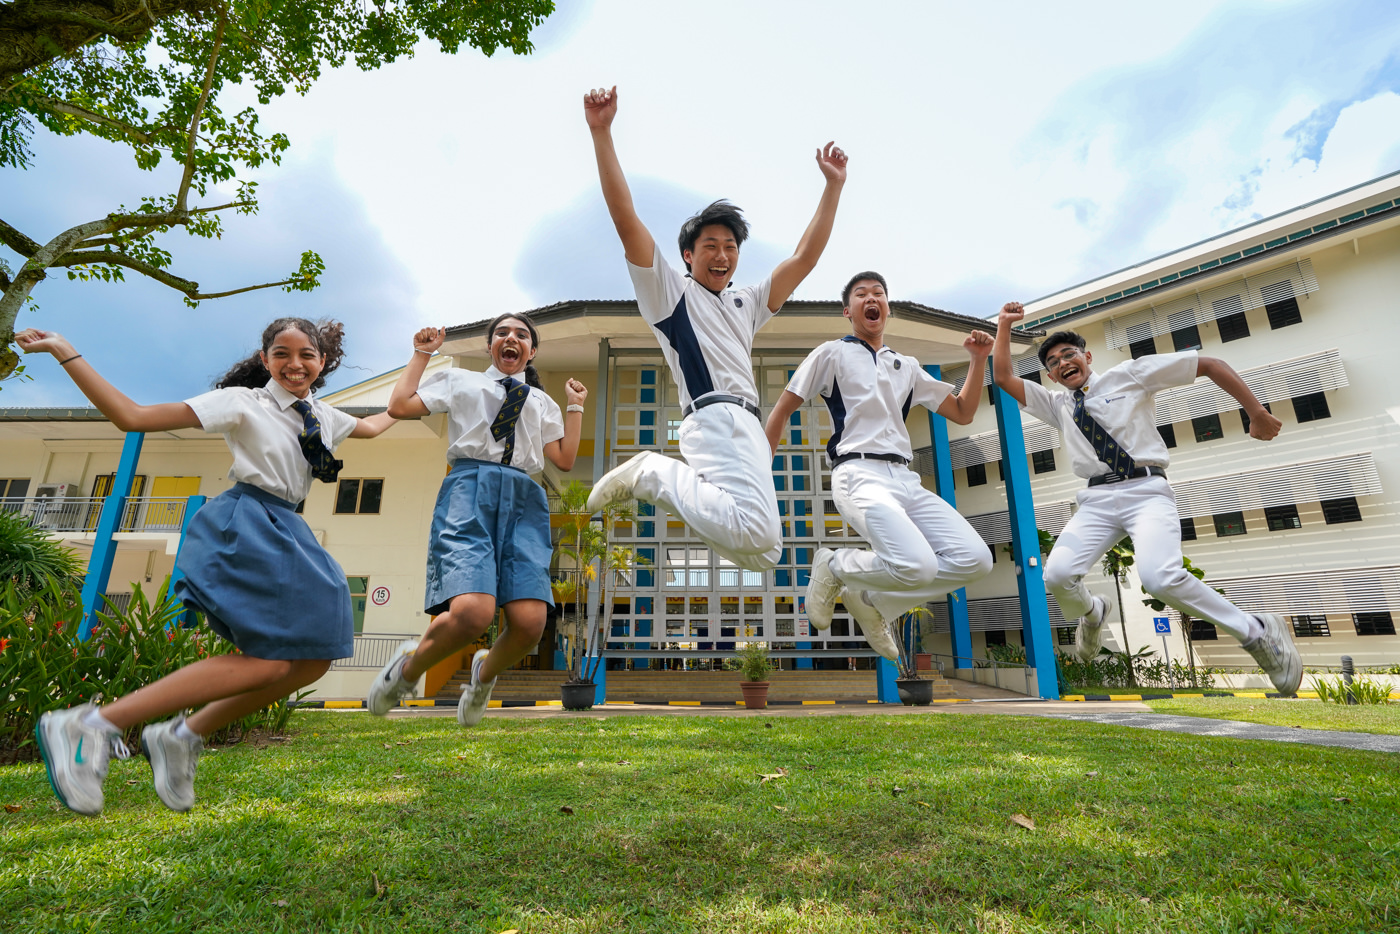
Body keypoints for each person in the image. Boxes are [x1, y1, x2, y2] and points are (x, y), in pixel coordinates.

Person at [18, 318, 397, 815]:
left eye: (306, 353)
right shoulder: (241, 402)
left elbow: (381, 419)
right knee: (270, 659)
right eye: (281, 353)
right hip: (248, 522)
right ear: (265, 360)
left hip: (289, 527)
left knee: (313, 658)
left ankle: (181, 735)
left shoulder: (324, 416)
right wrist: (66, 351)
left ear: (322, 362)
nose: (294, 363)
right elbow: (131, 416)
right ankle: (89, 725)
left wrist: (420, 360)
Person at [580, 85, 847, 571]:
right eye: (710, 246)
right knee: (758, 532)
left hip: (748, 425)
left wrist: (833, 187)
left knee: (767, 554)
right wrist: (602, 132)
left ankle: (661, 477)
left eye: (730, 246)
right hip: (714, 418)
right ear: (688, 254)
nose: (722, 255)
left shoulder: (745, 302)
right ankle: (652, 471)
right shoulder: (671, 293)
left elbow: (804, 258)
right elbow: (626, 221)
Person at [990, 304, 1302, 695]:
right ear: (1051, 375)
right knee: (1056, 575)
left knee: (1159, 578)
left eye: (1069, 354)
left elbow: (1210, 364)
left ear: (1087, 357)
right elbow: (1002, 375)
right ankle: (1092, 613)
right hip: (1097, 500)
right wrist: (1003, 325)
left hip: (1146, 491)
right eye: (1053, 362)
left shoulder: (1130, 375)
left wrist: (1255, 412)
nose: (1062, 362)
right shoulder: (1058, 405)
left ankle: (1257, 632)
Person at [367, 315, 586, 726]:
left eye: (522, 335)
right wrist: (422, 354)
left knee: (530, 623)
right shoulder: (462, 382)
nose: (512, 338)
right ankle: (406, 672)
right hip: (471, 488)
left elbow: (564, 459)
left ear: (532, 351)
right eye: (503, 333)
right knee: (472, 613)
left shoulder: (541, 402)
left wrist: (575, 406)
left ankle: (483, 678)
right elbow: (399, 406)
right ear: (490, 346)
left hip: (525, 497)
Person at [765, 272, 996, 661]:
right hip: (858, 474)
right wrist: (760, 469)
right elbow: (784, 408)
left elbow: (962, 411)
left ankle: (870, 599)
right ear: (848, 311)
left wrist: (977, 360)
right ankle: (834, 564)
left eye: (879, 294)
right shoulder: (831, 353)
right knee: (917, 565)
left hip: (905, 479)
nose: (871, 298)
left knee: (975, 559)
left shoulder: (904, 364)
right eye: (861, 294)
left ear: (886, 308)